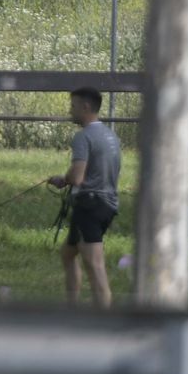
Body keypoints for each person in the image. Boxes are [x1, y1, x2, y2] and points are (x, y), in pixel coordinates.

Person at [45, 87, 121, 310]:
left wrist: (63, 179)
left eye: (74, 106)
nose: (71, 111)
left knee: (94, 265)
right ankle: (72, 307)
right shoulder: (110, 135)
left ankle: (104, 317)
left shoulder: (83, 136)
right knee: (68, 254)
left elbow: (77, 176)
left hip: (89, 205)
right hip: (107, 203)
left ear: (86, 107)